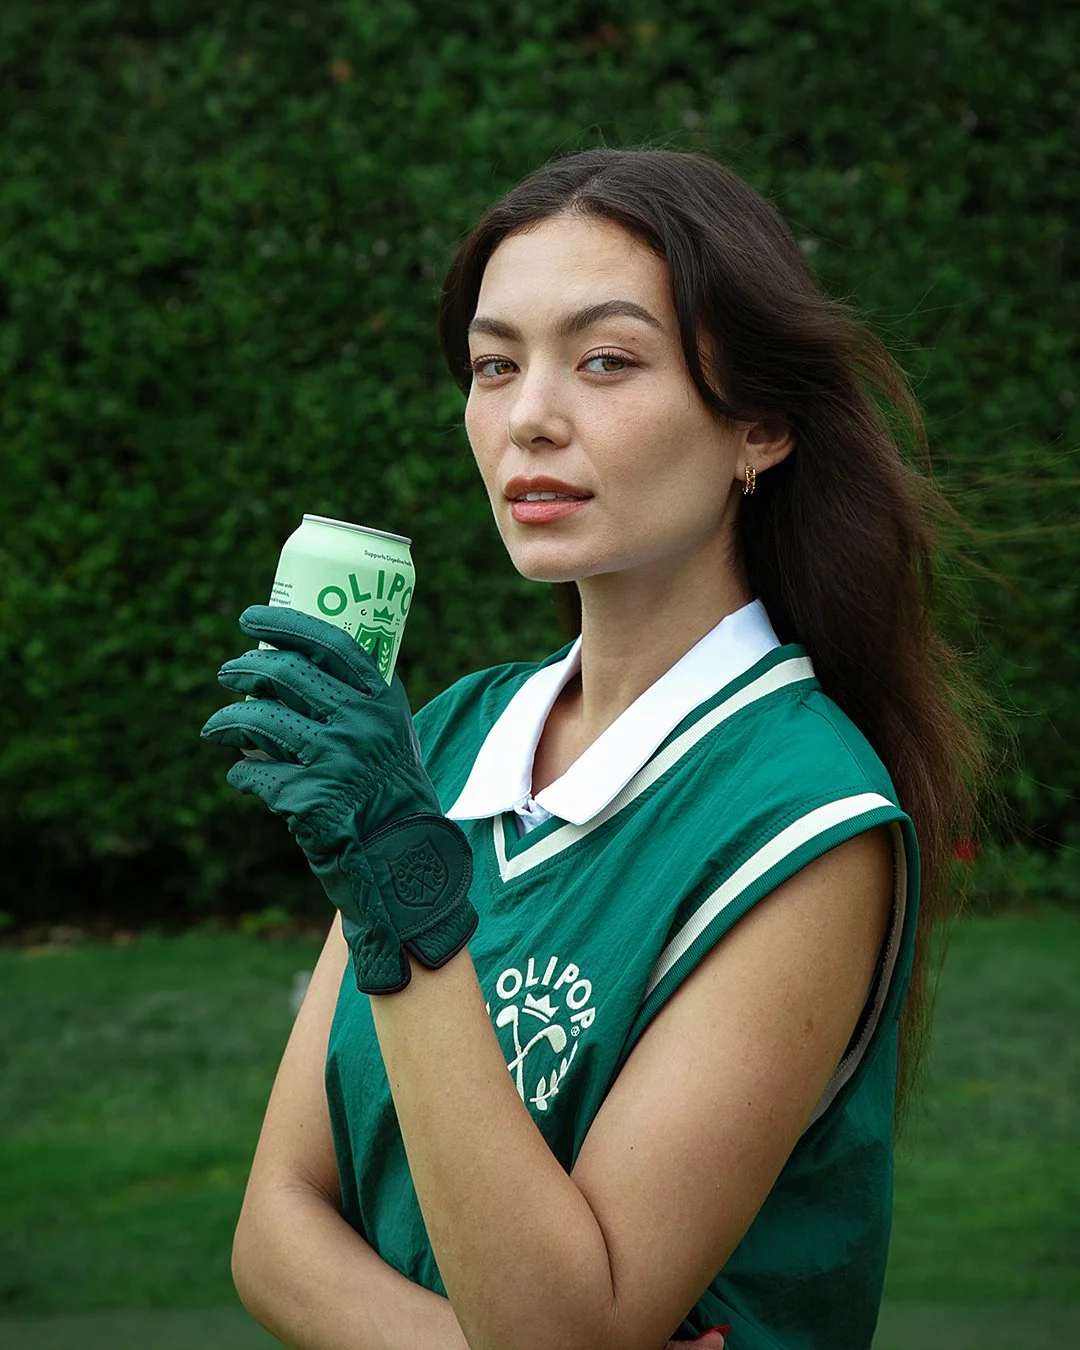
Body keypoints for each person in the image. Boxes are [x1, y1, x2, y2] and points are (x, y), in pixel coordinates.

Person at [201, 147, 984, 1349]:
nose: (528, 418)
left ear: (759, 426)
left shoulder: (807, 818)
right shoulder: (444, 742)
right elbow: (271, 1232)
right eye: (494, 364)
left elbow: (562, 1331)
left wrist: (408, 895)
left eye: (606, 360)